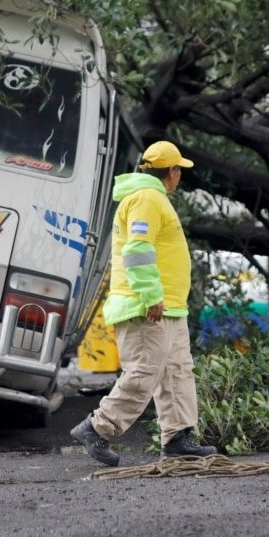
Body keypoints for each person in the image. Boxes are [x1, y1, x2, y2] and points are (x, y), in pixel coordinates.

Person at [70, 141, 217, 466]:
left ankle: (177, 438)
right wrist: (151, 296)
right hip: (147, 306)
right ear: (173, 172)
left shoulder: (153, 198)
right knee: (145, 371)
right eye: (180, 170)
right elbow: (137, 250)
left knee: (177, 371)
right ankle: (96, 428)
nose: (180, 175)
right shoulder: (147, 199)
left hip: (169, 308)